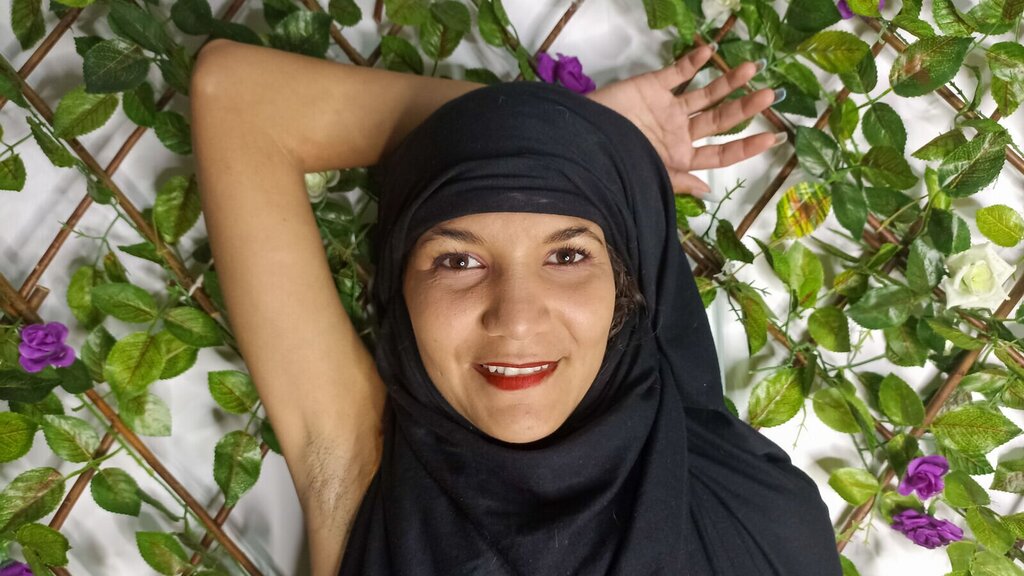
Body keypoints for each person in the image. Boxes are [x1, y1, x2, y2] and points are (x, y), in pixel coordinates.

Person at [191, 39, 840, 575]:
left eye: (567, 256)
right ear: (399, 288)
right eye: (458, 262)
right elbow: (236, 97)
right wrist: (563, 130)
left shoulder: (763, 521)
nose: (517, 318)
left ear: (627, 283)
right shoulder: (358, 474)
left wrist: (567, 135)